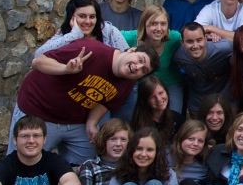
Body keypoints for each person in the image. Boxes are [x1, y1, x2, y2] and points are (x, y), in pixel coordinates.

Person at [10, 37, 157, 165]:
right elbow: (38, 61)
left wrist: (92, 122)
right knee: (22, 163)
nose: (137, 67)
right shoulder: (91, 50)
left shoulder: (128, 80)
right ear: (131, 50)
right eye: (140, 60)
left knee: (88, 165)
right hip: (38, 112)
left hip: (75, 122)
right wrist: (65, 69)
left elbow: (106, 102)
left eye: (143, 70)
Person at [121, 5, 183, 112]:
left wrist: (212, 32)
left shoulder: (174, 38)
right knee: (131, 115)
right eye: (154, 23)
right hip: (137, 85)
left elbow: (195, 36)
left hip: (168, 83)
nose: (159, 28)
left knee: (174, 115)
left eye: (163, 24)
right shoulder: (130, 38)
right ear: (144, 24)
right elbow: (106, 34)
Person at [36, 0, 129, 55]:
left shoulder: (109, 32)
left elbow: (128, 57)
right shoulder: (66, 34)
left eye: (92, 17)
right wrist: (74, 34)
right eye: (82, 16)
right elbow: (38, 54)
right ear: (71, 17)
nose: (88, 21)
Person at [174, 22, 234, 113]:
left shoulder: (223, 48)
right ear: (182, 42)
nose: (195, 46)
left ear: (205, 38)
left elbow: (242, 39)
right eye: (190, 42)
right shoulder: (178, 55)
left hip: (226, 99)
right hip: (197, 102)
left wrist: (210, 28)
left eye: (199, 40)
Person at [171, 120, 209, 185]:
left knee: (188, 184)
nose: (195, 144)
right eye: (191, 139)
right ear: (181, 138)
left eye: (200, 141)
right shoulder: (166, 157)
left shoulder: (205, 165)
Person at [130, 74, 183, 144]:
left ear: (166, 91)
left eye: (161, 93)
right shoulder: (138, 123)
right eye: (152, 97)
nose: (158, 99)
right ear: (145, 101)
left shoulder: (177, 118)